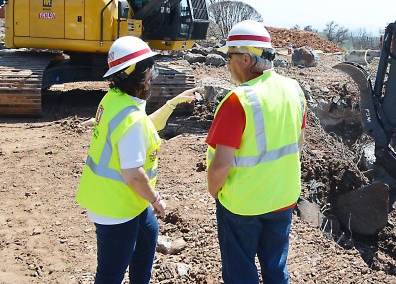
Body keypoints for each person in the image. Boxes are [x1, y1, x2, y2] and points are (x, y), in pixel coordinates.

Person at [76, 35, 199, 284]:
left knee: (148, 238)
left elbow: (145, 127)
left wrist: (173, 103)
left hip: (127, 199)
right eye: (150, 70)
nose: (152, 75)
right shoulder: (130, 117)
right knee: (111, 274)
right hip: (116, 206)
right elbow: (132, 173)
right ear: (137, 74)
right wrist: (156, 199)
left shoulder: (116, 100)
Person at [205, 20, 307, 284]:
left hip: (243, 204)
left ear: (247, 58)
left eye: (230, 57)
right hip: (283, 197)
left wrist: (216, 192)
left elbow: (219, 166)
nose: (228, 64)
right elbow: (299, 143)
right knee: (275, 267)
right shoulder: (294, 90)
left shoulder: (238, 100)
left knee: (240, 272)